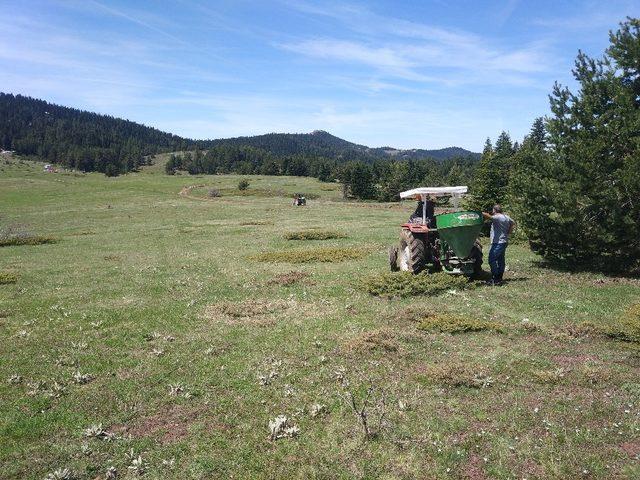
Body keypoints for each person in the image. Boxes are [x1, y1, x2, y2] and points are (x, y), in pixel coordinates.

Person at [482, 204, 516, 285]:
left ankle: (495, 278)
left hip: (498, 242)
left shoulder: (497, 217)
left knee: (491, 259)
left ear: (494, 210)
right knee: (501, 260)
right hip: (504, 241)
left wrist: (479, 213)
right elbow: (513, 223)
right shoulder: (506, 217)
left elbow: (488, 216)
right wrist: (509, 232)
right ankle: (499, 278)